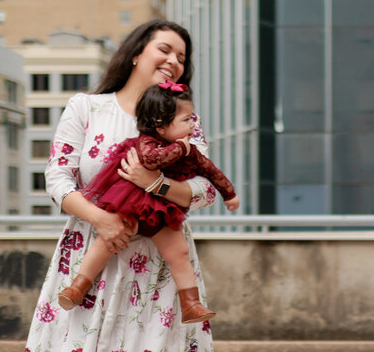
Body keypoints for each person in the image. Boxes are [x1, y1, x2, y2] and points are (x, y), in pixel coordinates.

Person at [14, 19, 225, 352]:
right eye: (164, 48)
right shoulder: (87, 108)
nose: (173, 59)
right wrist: (103, 221)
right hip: (95, 260)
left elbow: (201, 189)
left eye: (182, 55)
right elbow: (58, 179)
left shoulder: (183, 121)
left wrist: (154, 185)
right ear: (136, 53)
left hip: (158, 267)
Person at [57, 81, 240, 324]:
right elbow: (151, 159)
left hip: (162, 207)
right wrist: (181, 148)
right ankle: (78, 286)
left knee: (179, 251)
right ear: (159, 125)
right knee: (106, 243)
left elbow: (211, 171)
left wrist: (229, 194)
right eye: (186, 120)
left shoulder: (189, 147)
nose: (193, 125)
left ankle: (191, 303)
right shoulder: (148, 141)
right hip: (133, 200)